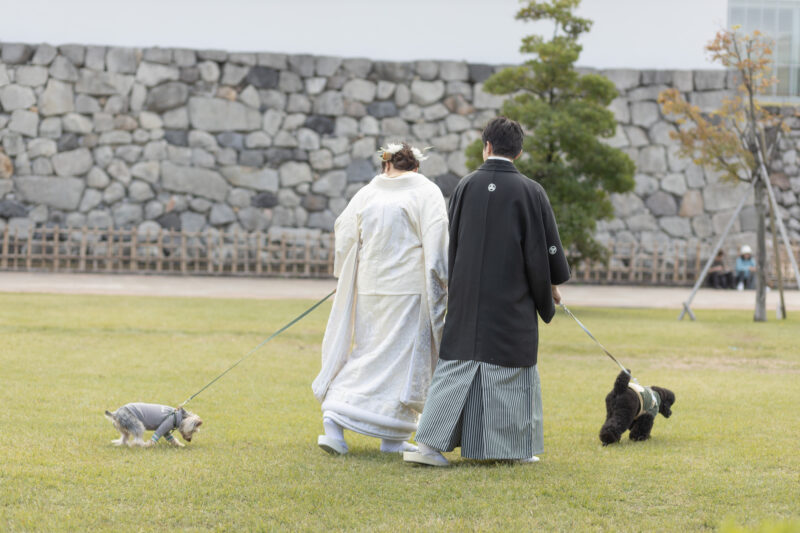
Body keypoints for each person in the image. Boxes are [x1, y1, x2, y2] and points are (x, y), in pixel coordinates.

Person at [403, 117, 570, 467]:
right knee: (511, 373)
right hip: (512, 303)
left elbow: (453, 243)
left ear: (487, 147)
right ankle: (515, 448)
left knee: (455, 367)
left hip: (467, 300)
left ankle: (430, 447)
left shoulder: (465, 186)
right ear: (519, 151)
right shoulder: (531, 191)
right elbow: (544, 251)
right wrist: (550, 286)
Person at [311, 142, 449, 456]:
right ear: (415, 166)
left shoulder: (366, 193)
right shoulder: (425, 192)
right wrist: (442, 282)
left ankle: (382, 433)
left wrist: (344, 273)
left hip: (371, 287)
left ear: (385, 165)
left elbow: (344, 231)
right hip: (408, 289)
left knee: (368, 351)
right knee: (398, 362)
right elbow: (438, 238)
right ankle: (338, 415)